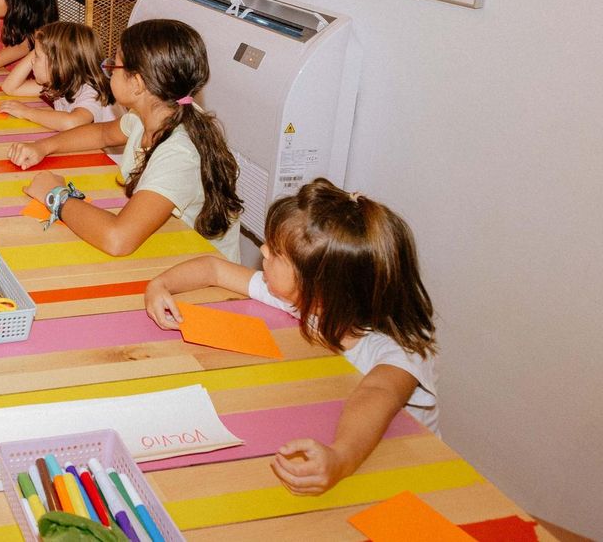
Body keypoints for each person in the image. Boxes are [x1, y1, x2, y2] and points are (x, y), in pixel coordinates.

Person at [143, 179, 438, 495]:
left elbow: (376, 394)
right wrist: (160, 285)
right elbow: (214, 269)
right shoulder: (304, 300)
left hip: (406, 471)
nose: (262, 251)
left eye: (276, 252)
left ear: (320, 288)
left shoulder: (401, 351)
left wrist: (341, 458)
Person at [8, 19, 245, 261]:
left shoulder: (179, 152)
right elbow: (100, 133)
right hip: (167, 247)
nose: (107, 68)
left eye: (115, 64)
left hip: (199, 270)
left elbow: (118, 238)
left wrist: (54, 195)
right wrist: (43, 147)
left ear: (138, 83)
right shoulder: (154, 112)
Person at [0, 22, 115, 131]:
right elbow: (10, 87)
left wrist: (26, 112)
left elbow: (73, 123)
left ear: (59, 64)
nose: (32, 61)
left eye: (37, 56)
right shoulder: (60, 82)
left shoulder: (91, 92)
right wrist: (40, 48)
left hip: (106, 154)